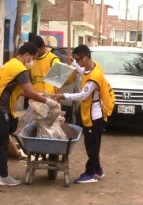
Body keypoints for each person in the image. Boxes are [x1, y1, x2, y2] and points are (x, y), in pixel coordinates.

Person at [0, 42, 59, 186]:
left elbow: (22, 91)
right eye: (33, 58)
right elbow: (29, 92)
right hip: (0, 109)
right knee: (2, 143)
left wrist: (39, 95)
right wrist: (47, 102)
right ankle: (3, 176)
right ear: (27, 55)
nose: (33, 62)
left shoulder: (11, 63)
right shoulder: (20, 69)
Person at [53, 45, 106, 184]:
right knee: (94, 143)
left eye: (78, 59)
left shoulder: (95, 76)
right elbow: (82, 70)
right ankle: (97, 168)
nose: (78, 62)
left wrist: (63, 95)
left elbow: (83, 95)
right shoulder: (93, 67)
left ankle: (90, 173)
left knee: (91, 145)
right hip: (91, 112)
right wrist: (74, 63)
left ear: (85, 57)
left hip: (93, 115)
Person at [24, 36, 61, 127]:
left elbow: (59, 82)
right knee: (29, 128)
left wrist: (58, 102)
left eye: (36, 50)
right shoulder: (32, 60)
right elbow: (28, 78)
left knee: (47, 129)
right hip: (33, 101)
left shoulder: (53, 59)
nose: (35, 53)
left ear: (43, 46)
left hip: (48, 101)